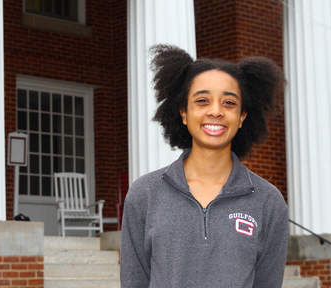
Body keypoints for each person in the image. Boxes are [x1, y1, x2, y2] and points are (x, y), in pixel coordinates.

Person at [120, 44, 289, 288]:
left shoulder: (268, 201)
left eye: (229, 103)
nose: (216, 111)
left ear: (242, 117)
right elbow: (134, 281)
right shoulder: (145, 193)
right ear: (184, 112)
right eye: (202, 100)